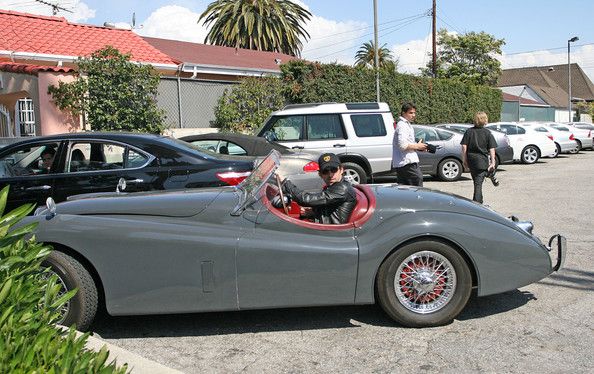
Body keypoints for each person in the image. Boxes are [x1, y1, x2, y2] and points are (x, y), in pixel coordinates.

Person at [273, 152, 357, 224]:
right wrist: (313, 212)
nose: (330, 175)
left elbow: (306, 199)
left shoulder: (342, 188)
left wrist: (284, 182)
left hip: (330, 234)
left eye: (333, 170)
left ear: (341, 170)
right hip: (323, 226)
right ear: (320, 174)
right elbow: (329, 207)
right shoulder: (333, 186)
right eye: (325, 171)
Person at [461, 111, 498, 204]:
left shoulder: (469, 132)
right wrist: (493, 162)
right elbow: (492, 148)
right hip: (481, 161)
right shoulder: (487, 133)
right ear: (485, 120)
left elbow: (464, 147)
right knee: (478, 184)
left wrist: (464, 160)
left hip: (472, 161)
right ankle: (477, 205)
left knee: (477, 182)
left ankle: (489, 174)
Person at [392, 102, 428, 186]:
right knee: (417, 183)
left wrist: (419, 147)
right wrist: (417, 146)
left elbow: (406, 143)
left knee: (404, 188)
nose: (413, 115)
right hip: (407, 162)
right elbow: (402, 145)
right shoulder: (402, 125)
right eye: (410, 113)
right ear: (404, 113)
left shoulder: (405, 124)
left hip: (404, 162)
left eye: (414, 113)